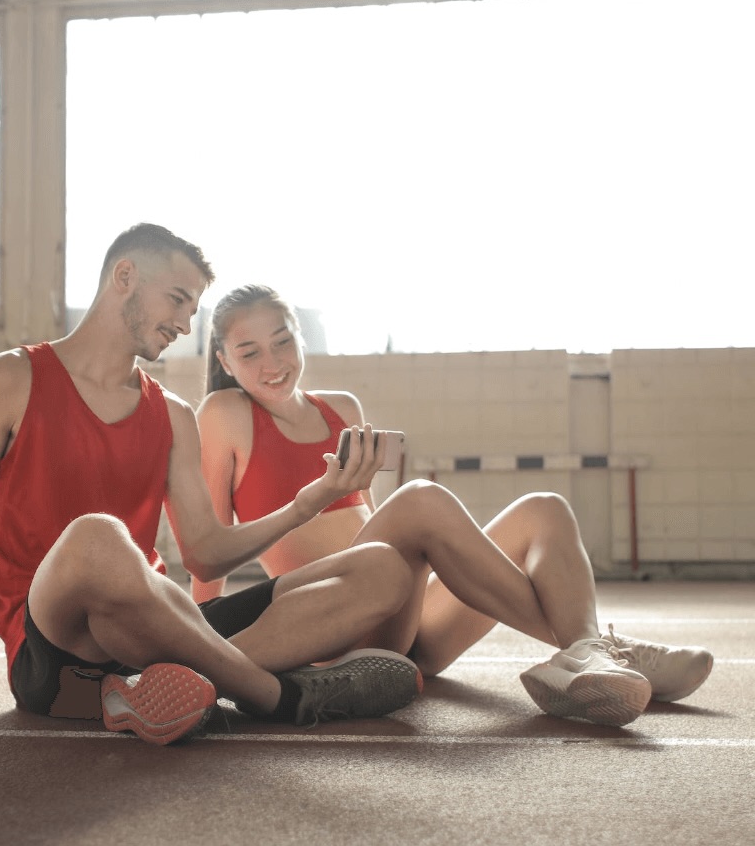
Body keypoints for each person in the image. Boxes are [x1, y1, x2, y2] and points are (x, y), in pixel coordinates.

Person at [0, 225, 425, 746]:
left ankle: (171, 688)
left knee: (381, 567)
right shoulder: (4, 380)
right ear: (125, 277)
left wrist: (308, 503)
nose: (185, 324)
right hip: (57, 653)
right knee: (97, 538)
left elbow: (204, 553)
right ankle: (276, 696)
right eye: (178, 299)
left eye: (193, 309)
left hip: (156, 632)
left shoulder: (172, 414)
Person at [193, 284, 714, 727]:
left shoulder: (342, 408)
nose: (272, 363)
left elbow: (372, 526)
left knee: (546, 509)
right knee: (420, 500)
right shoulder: (225, 412)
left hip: (408, 622)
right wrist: (196, 630)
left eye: (282, 341)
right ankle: (601, 647)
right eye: (249, 352)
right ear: (224, 361)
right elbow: (207, 553)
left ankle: (588, 650)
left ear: (299, 337)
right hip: (339, 625)